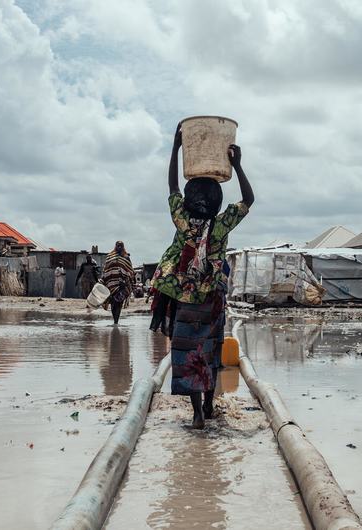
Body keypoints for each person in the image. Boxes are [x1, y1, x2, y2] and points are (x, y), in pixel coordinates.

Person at [151, 125, 254, 430]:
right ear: (218, 202)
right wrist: (237, 165)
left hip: (185, 302)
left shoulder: (182, 221)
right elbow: (248, 199)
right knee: (209, 351)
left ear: (189, 198)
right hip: (211, 303)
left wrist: (176, 149)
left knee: (189, 354)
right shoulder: (220, 227)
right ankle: (209, 406)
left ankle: (198, 413)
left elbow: (171, 186)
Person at [101, 241, 135, 325]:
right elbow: (106, 269)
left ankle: (116, 321)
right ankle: (115, 321)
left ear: (123, 247)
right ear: (115, 246)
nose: (119, 247)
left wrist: (127, 281)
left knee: (119, 302)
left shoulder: (126, 257)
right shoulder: (110, 257)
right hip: (111, 284)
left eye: (121, 246)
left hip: (122, 284)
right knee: (113, 302)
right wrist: (104, 280)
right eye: (118, 246)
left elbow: (130, 270)